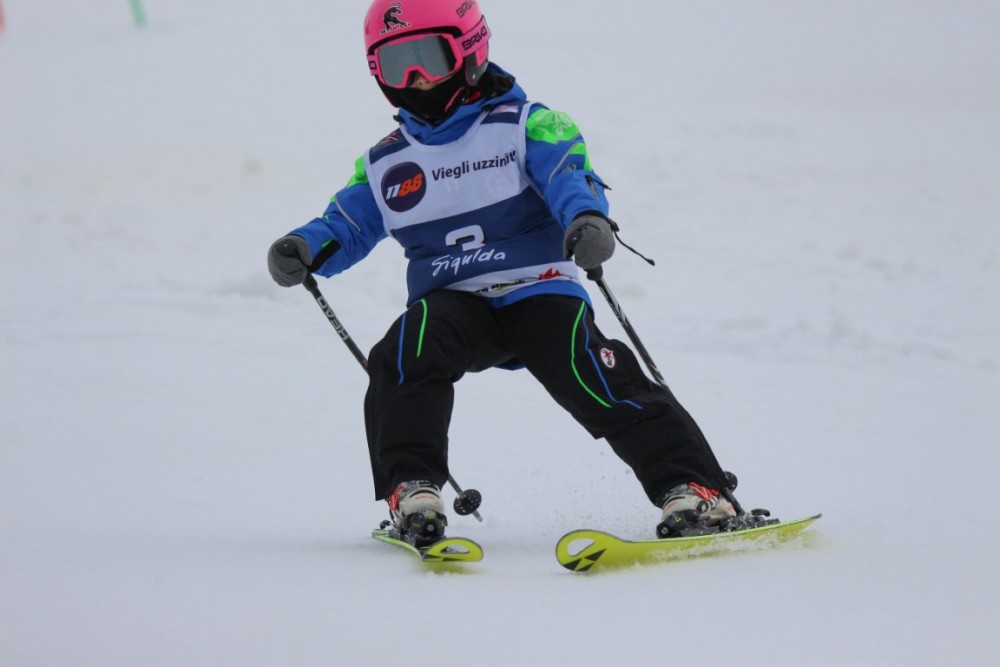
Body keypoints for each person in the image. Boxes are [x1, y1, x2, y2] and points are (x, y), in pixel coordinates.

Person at [267, 0, 737, 545]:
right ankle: (412, 488)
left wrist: (587, 218)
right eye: (397, 65)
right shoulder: (386, 162)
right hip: (454, 300)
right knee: (404, 351)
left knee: (584, 365)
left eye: (428, 58)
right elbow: (346, 223)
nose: (416, 78)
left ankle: (694, 487)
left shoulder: (526, 124)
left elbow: (568, 175)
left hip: (538, 286)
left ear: (469, 49)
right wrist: (305, 246)